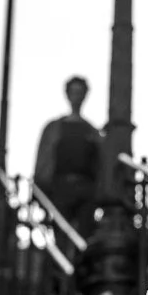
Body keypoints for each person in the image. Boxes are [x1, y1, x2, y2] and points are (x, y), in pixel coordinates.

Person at [33, 76, 105, 243]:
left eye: (80, 93)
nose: (77, 97)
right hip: (60, 188)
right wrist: (40, 188)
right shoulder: (53, 128)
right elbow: (43, 160)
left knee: (84, 236)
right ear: (68, 94)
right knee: (61, 235)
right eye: (74, 92)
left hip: (86, 190)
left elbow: (99, 164)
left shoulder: (92, 131)